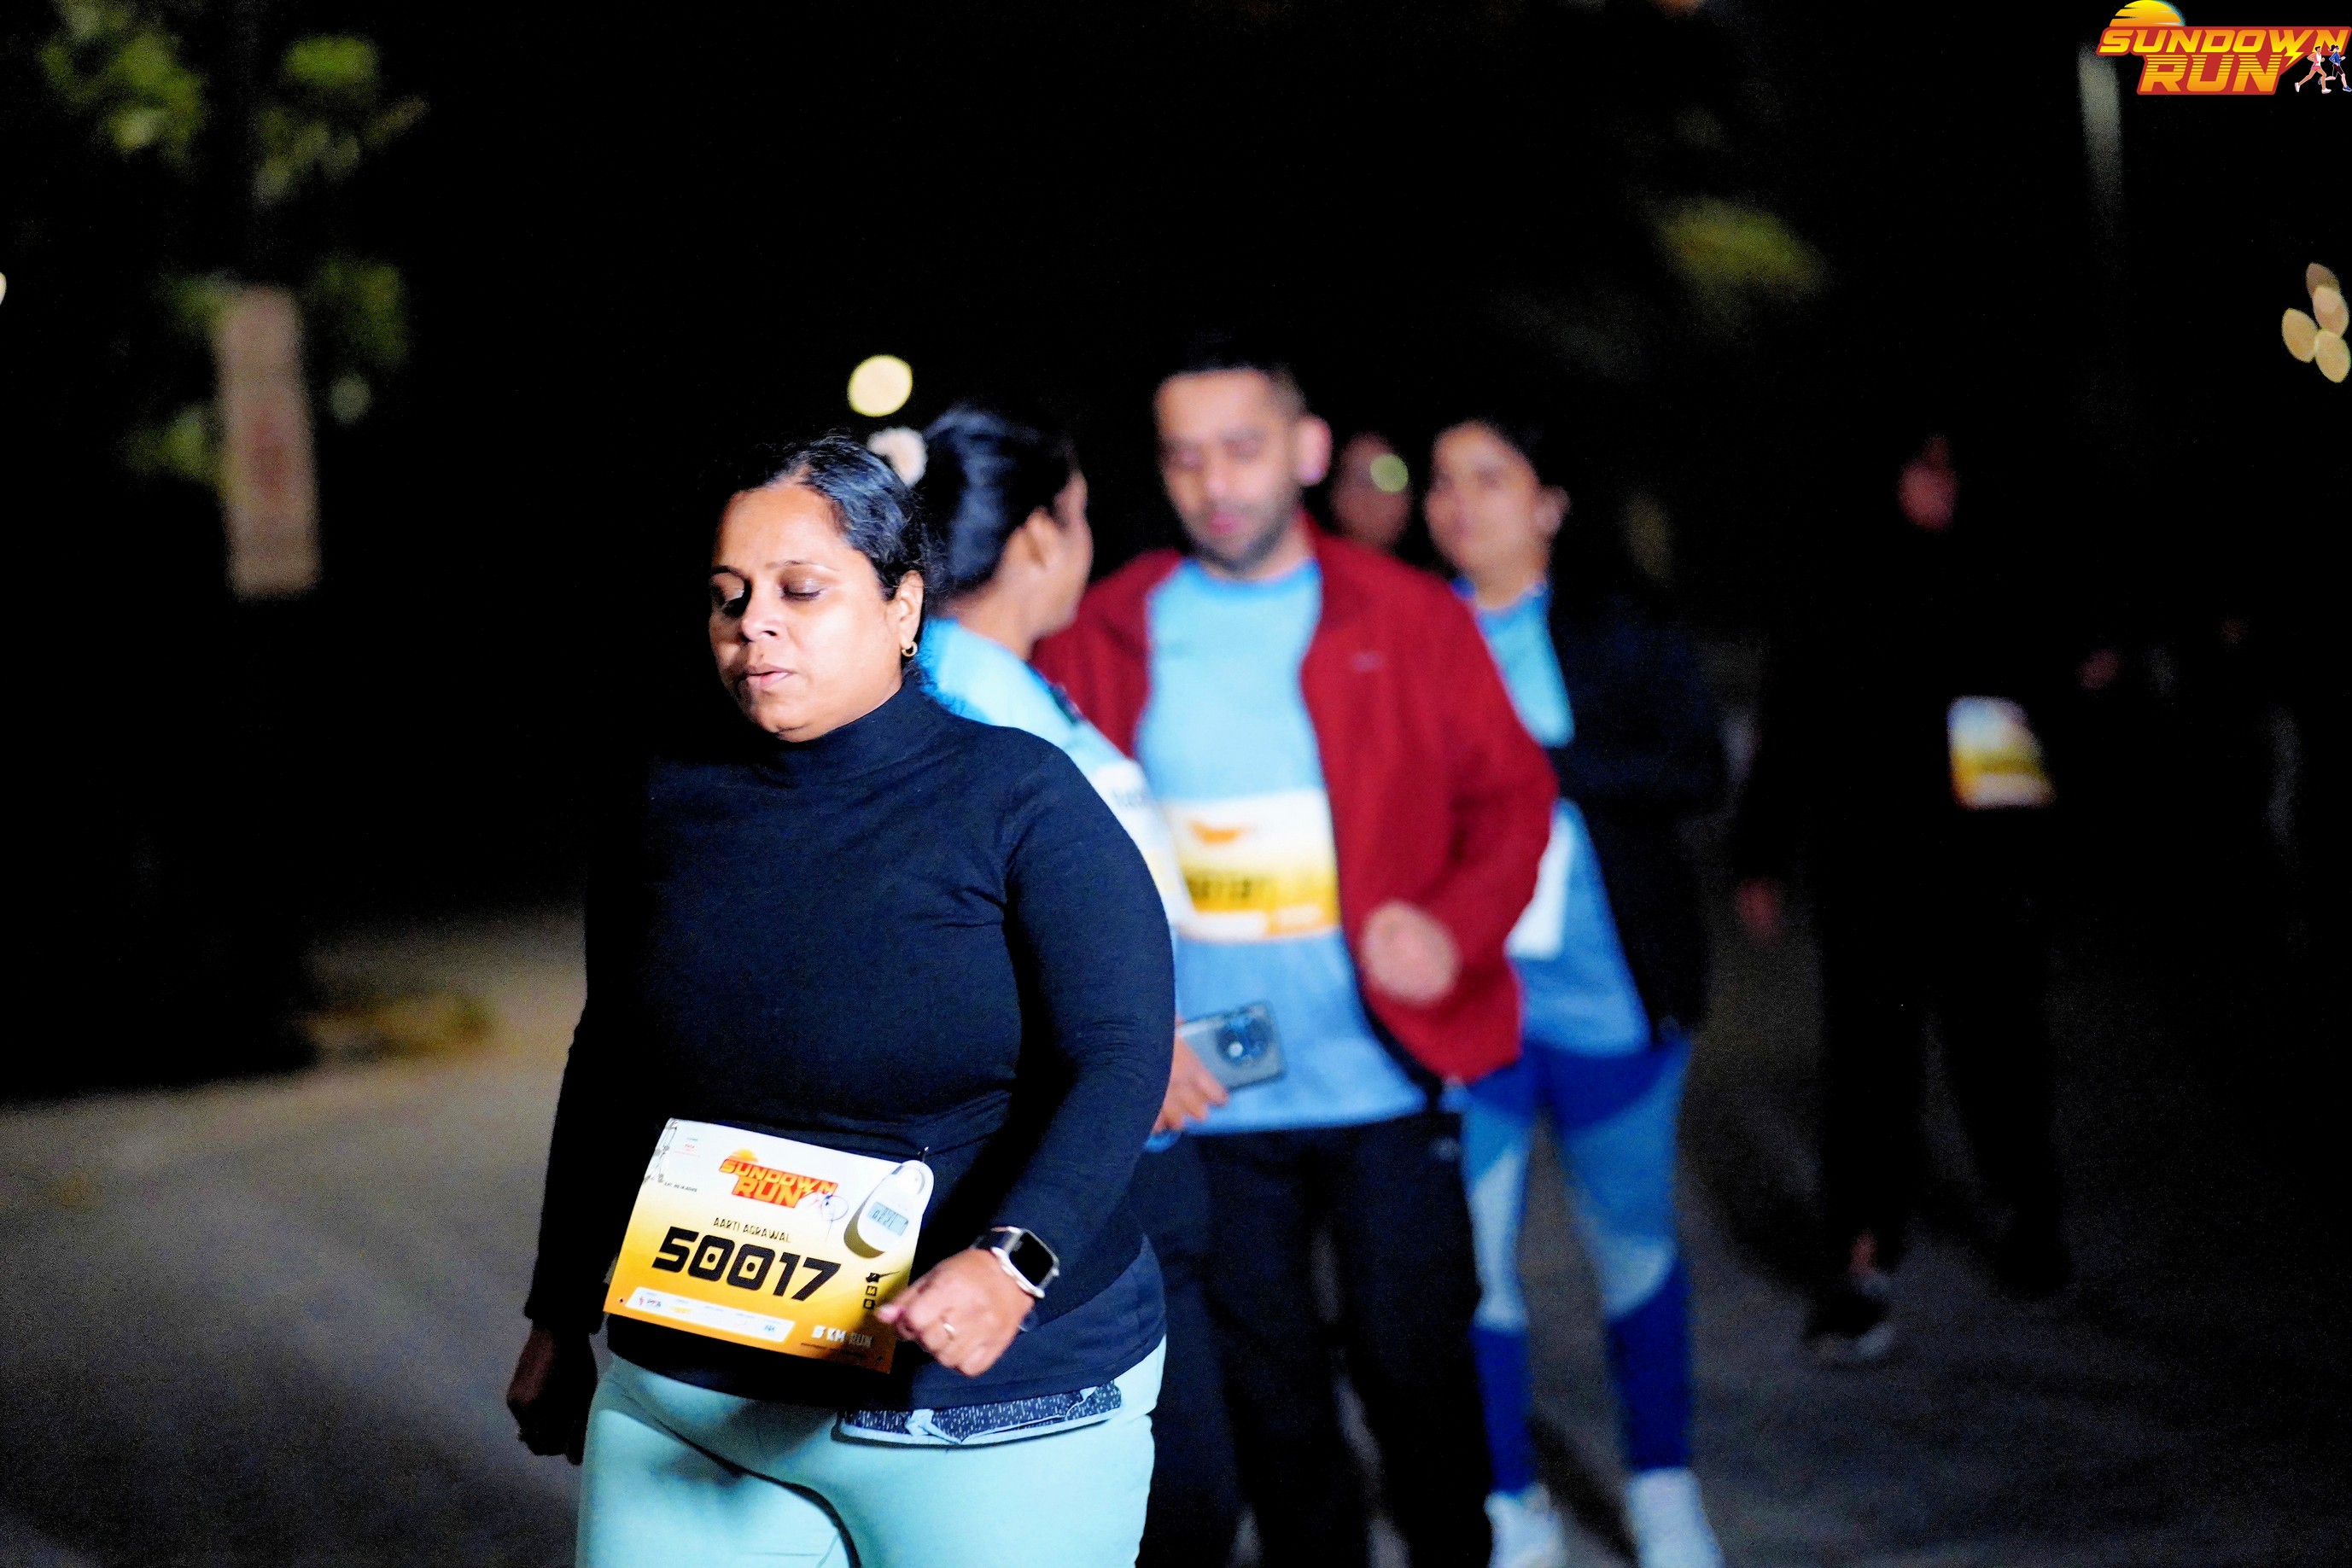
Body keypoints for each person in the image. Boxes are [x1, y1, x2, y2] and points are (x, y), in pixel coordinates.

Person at [506, 435, 1176, 1568]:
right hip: (689, 1397)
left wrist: (1013, 1259)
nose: (753, 624)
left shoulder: (1020, 799)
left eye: (800, 591)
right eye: (729, 596)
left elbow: (1117, 1057)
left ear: (901, 605)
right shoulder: (664, 800)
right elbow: (609, 1056)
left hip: (983, 1409)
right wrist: (558, 1312)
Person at [1035, 333, 1558, 1568]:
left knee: (1414, 1367)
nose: (1214, 482)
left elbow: (1512, 798)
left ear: (1306, 448)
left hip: (1382, 1078)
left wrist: (1450, 925)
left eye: (1242, 448)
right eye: (1184, 456)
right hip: (1207, 1094)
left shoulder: (1408, 614)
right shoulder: (1110, 626)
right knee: (1272, 1399)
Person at [896, 403, 1245, 1568]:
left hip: (1131, 1126)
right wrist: (1127, 1045)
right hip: (1082, 1159)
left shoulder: (1010, 685)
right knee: (1169, 1497)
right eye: (1082, 513)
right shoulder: (964, 701)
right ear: (1041, 533)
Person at [1424, 417, 1727, 1568]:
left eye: (1489, 478)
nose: (1459, 503)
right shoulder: (1407, 630)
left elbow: (1695, 766)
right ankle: (1509, 1499)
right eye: (1443, 481)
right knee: (1471, 1264)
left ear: (1548, 502)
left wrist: (1540, 767)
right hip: (1470, 1011)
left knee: (1632, 1246)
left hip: (1610, 996)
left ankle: (1661, 1486)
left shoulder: (1616, 622)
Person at [1730, 423, 2071, 1363]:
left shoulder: (1991, 574)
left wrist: (2035, 858)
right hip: (1868, 871)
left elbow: (2031, 719)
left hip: (1978, 871)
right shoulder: (1836, 586)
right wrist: (1760, 852)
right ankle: (1861, 1258)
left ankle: (2028, 1211)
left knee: (1999, 1052)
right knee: (1869, 1071)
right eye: (1924, 467)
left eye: (1951, 468)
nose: (1942, 485)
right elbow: (1790, 722)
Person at [1328, 428, 1415, 554]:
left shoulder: (1424, 566)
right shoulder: (1308, 559)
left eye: (1388, 479)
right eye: (1358, 480)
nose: (1372, 497)